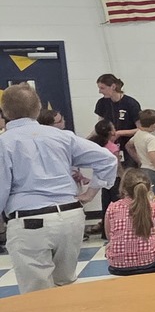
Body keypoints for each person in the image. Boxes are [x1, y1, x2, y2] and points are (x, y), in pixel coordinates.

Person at [0, 84, 118, 292]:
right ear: (37, 108)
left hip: (29, 220)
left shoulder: (4, 142)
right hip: (70, 216)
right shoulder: (62, 136)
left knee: (36, 291)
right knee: (66, 284)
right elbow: (107, 160)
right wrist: (91, 192)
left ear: (4, 111)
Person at [104, 168, 155, 271]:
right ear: (148, 188)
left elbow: (109, 235)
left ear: (123, 189)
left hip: (118, 262)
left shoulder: (112, 207)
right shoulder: (154, 206)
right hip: (150, 259)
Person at [94, 73, 141, 166]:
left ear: (113, 86)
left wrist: (119, 133)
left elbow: (141, 129)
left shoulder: (131, 103)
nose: (100, 91)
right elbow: (100, 126)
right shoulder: (102, 103)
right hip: (109, 145)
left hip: (127, 146)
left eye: (102, 88)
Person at [127, 109, 155, 194]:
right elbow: (154, 158)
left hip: (143, 169)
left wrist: (139, 160)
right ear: (153, 125)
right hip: (153, 172)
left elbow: (128, 146)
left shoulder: (138, 134)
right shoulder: (151, 138)